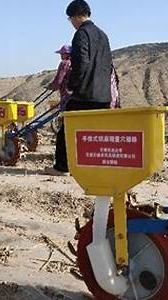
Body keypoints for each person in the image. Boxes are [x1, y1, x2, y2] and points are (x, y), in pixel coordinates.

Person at [45, 0, 113, 176]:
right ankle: (94, 167)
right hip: (103, 95)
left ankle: (61, 167)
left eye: (70, 19)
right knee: (96, 133)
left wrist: (71, 87)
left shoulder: (81, 34)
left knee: (66, 130)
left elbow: (81, 63)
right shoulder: (103, 35)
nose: (72, 24)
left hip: (85, 94)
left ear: (75, 16)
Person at [49, 45, 72, 110]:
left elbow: (59, 79)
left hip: (65, 93)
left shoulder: (64, 63)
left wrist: (52, 86)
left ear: (67, 54)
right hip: (73, 94)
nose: (61, 56)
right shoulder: (74, 63)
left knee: (64, 113)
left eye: (62, 54)